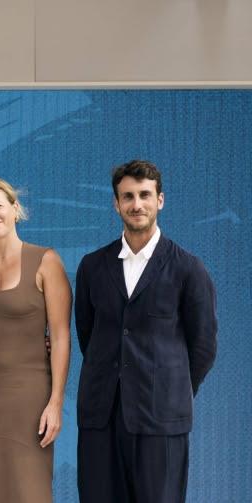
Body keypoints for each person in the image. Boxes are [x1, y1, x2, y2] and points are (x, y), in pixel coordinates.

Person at [75, 160, 218, 503]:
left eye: (144, 195)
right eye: (128, 196)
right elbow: (88, 335)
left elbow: (204, 347)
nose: (136, 204)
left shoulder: (188, 268)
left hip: (162, 419)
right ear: (116, 204)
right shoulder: (93, 266)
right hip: (101, 416)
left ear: (160, 200)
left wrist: (171, 387)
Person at [0, 177, 71, 503]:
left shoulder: (46, 261)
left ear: (14, 208)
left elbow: (61, 336)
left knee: (27, 488)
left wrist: (56, 402)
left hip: (28, 399)